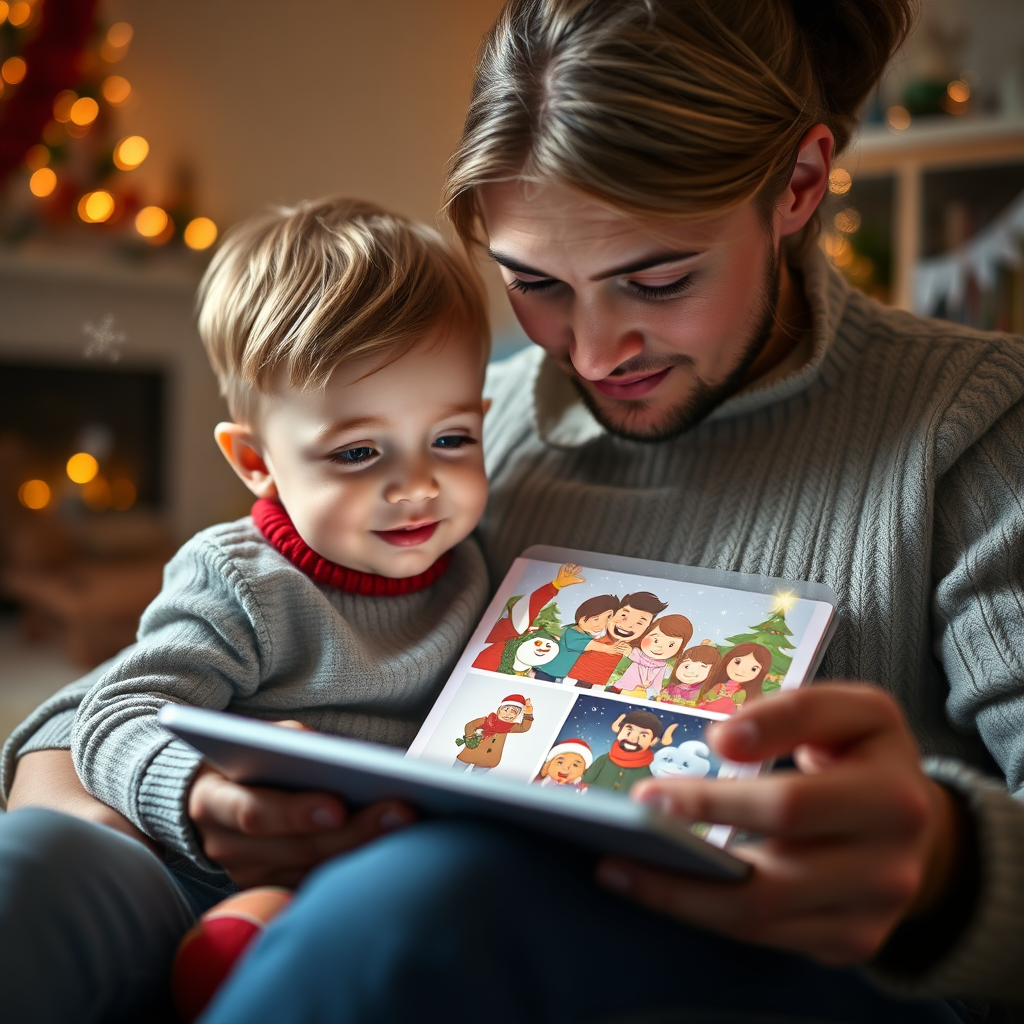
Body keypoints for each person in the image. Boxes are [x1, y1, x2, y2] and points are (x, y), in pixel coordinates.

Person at [8, 0, 1024, 1019]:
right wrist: (188, 805)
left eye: (658, 279)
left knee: (415, 900)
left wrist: (946, 864)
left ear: (799, 186)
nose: (590, 354)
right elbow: (92, 715)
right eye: (534, 283)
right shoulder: (456, 423)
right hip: (379, 913)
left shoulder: (969, 430)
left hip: (744, 967)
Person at [0, 196, 492, 1020]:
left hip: (367, 885)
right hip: (204, 866)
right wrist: (196, 790)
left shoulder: (482, 575)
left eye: (451, 439)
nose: (417, 485)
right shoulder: (239, 578)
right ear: (257, 462)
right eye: (359, 452)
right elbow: (118, 712)